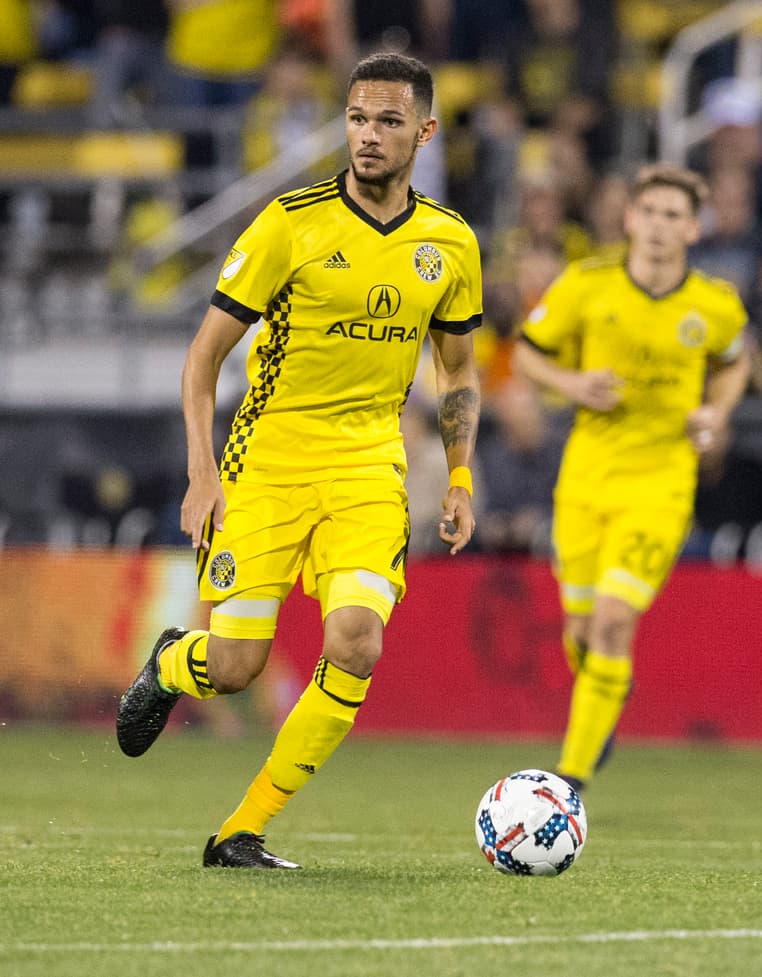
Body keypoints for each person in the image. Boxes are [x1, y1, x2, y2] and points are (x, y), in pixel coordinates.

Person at [115, 53, 483, 869]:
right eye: (357, 118)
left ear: (424, 131)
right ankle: (173, 662)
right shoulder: (291, 222)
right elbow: (205, 355)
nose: (368, 135)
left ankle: (240, 831)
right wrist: (201, 470)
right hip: (267, 461)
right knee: (238, 664)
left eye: (389, 121)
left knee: (356, 642)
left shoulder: (450, 244)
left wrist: (459, 473)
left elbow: (456, 367)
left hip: (368, 466)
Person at [513, 164, 751, 791]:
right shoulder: (587, 285)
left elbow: (734, 360)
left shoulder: (715, 304)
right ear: (629, 219)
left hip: (661, 480)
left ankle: (570, 776)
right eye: (649, 212)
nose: (658, 226)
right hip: (588, 477)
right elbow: (527, 354)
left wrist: (715, 413)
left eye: (673, 216)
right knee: (583, 631)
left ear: (694, 229)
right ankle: (605, 697)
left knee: (616, 619)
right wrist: (573, 385)